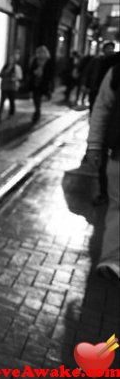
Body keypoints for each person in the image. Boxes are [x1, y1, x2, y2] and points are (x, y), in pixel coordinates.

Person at [86, 57, 120, 281]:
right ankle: (112, 260)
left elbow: (101, 108)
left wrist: (95, 146)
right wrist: (95, 146)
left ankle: (112, 260)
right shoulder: (116, 72)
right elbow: (102, 108)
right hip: (119, 153)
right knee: (117, 206)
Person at [26, 45, 54, 123]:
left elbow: (51, 73)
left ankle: (37, 113)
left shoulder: (48, 61)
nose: (41, 54)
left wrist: (44, 74)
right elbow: (30, 70)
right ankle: (37, 111)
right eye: (39, 52)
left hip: (44, 83)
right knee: (36, 98)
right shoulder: (35, 60)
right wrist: (34, 72)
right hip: (35, 82)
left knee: (39, 98)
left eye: (42, 52)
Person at [0, 50, 23, 119]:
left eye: (11, 59)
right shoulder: (5, 66)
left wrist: (14, 79)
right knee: (2, 100)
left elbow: (20, 77)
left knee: (11, 100)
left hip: (12, 86)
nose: (10, 60)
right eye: (9, 59)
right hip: (5, 85)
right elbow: (0, 74)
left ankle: (11, 113)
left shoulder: (17, 67)